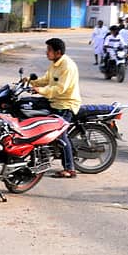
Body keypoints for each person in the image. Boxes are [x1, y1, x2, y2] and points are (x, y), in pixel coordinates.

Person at [29, 38, 81, 179]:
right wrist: (30, 81)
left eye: (49, 50)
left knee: (59, 135)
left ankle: (70, 169)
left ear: (58, 52)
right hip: (54, 102)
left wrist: (41, 90)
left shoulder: (67, 66)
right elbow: (46, 80)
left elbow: (60, 89)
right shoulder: (55, 64)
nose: (47, 53)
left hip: (65, 105)